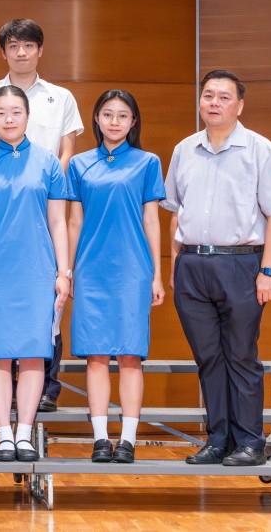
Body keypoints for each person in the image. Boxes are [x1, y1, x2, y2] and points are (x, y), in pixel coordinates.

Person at [163, 70, 271, 467]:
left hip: (242, 265)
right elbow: (174, 213)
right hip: (191, 265)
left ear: (239, 105)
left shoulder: (259, 149)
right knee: (208, 357)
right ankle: (218, 439)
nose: (215, 102)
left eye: (224, 97)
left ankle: (251, 442)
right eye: (208, 95)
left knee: (240, 355)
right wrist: (175, 265)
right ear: (200, 102)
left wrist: (267, 271)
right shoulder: (184, 149)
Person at [0, 18, 82, 412]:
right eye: (13, 45)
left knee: (47, 307)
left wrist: (45, 177)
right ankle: (1, 403)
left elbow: (66, 151)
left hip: (44, 198)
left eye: (28, 45)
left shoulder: (60, 97)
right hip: (0, 201)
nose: (21, 52)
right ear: (4, 51)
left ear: (40, 50)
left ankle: (44, 391)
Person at [0, 85, 69, 462]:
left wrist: (63, 271)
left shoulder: (48, 162)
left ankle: (25, 432)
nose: (8, 119)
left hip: (38, 271)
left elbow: (58, 222)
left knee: (33, 355)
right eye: (1, 113)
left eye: (15, 112)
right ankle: (4, 435)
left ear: (28, 117)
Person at [65, 89, 165, 464]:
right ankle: (100, 439)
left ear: (133, 122)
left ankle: (128, 439)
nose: (114, 122)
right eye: (107, 114)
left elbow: (152, 219)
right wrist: (69, 270)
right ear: (96, 119)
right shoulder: (78, 164)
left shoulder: (148, 162)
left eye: (123, 116)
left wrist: (156, 274)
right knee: (95, 356)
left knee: (130, 356)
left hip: (132, 271)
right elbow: (74, 222)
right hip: (91, 270)